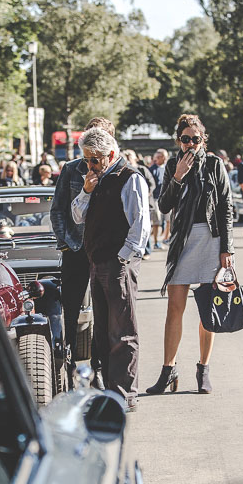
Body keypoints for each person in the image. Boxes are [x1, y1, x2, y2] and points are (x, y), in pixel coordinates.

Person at [147, 114, 234, 395]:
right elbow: (163, 205)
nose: (191, 144)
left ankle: (204, 369)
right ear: (178, 141)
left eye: (196, 139)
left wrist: (227, 249)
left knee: (208, 309)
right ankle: (168, 369)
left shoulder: (214, 164)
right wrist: (177, 178)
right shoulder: (172, 165)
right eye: (185, 139)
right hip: (182, 240)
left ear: (203, 140)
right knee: (175, 308)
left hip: (211, 239)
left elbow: (226, 208)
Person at [71, 127, 149, 412]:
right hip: (97, 263)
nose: (90, 165)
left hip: (118, 264)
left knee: (123, 331)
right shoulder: (94, 180)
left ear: (111, 155)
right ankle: (106, 391)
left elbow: (140, 226)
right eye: (87, 160)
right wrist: (86, 189)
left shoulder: (130, 178)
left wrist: (123, 258)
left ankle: (125, 394)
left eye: (95, 159)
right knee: (102, 331)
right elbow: (77, 216)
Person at [51, 117, 114, 389]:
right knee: (71, 311)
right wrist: (67, 243)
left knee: (103, 312)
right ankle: (66, 367)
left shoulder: (118, 171)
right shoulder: (71, 170)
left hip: (103, 252)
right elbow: (58, 210)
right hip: (75, 250)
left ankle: (97, 368)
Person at [123, 149, 157, 258]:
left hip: (146, 204)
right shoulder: (124, 171)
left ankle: (147, 251)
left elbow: (152, 183)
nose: (128, 158)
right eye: (126, 156)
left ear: (135, 158)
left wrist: (146, 193)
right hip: (129, 205)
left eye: (130, 156)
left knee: (144, 226)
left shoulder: (142, 169)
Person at [148, 149, 168, 249]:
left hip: (166, 198)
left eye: (162, 156)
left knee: (166, 221)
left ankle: (163, 239)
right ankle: (156, 242)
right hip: (155, 198)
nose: (161, 159)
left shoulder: (167, 168)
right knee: (157, 221)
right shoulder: (152, 169)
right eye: (159, 157)